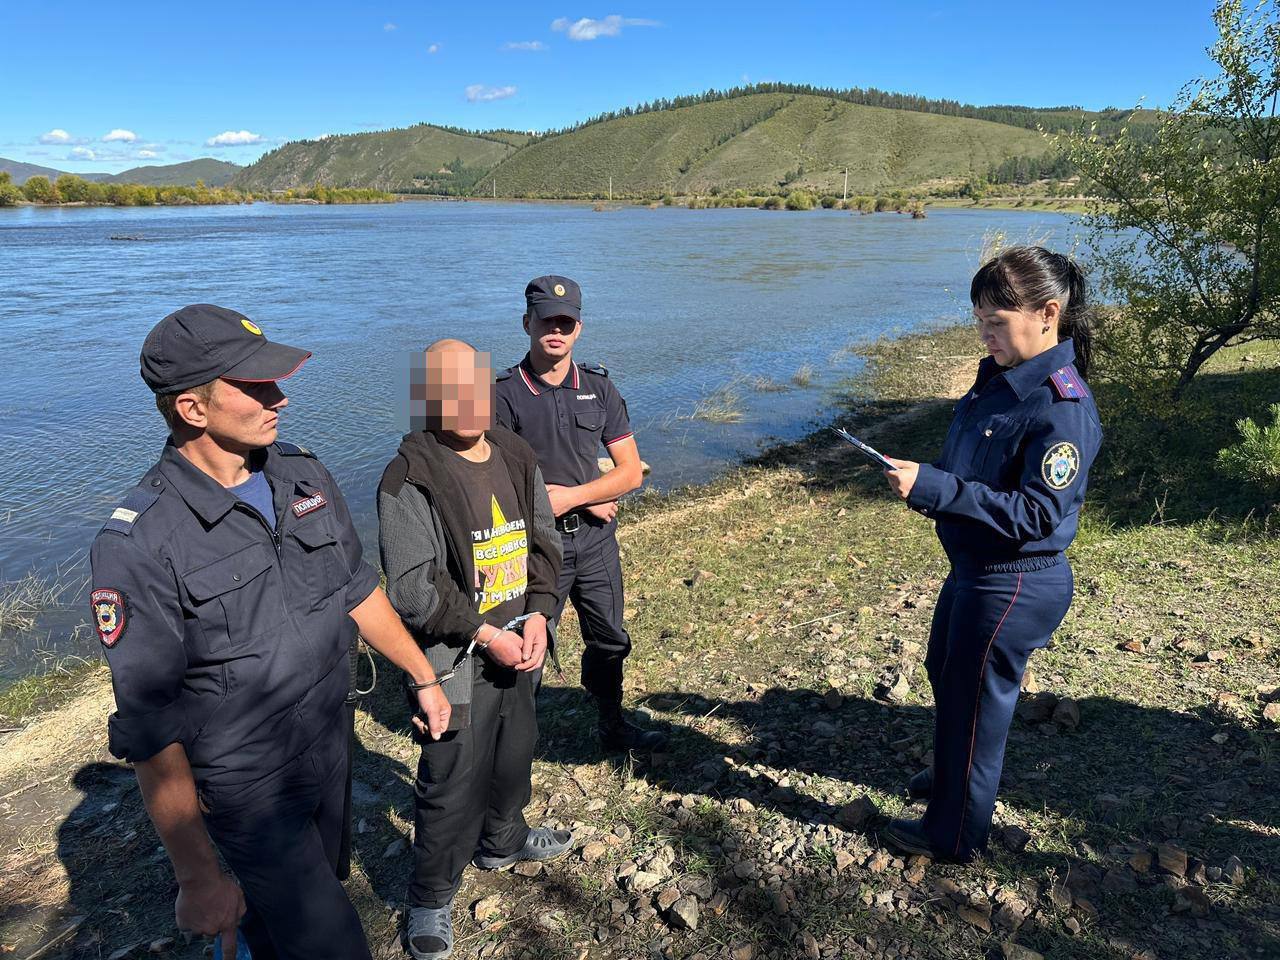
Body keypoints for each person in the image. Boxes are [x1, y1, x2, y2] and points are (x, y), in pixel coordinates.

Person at [90, 304, 452, 960]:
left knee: (290, 912)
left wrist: (421, 675)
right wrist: (198, 876)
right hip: (246, 785)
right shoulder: (140, 543)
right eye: (254, 387)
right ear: (193, 410)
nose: (278, 397)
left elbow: (354, 587)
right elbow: (152, 727)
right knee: (333, 940)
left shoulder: (302, 474)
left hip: (328, 739)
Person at [877, 247, 1103, 863]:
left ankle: (952, 835)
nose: (985, 333)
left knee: (975, 707)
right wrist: (926, 478)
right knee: (944, 669)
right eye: (979, 319)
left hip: (1016, 580)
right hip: (974, 570)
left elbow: (1035, 513)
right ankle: (953, 781)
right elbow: (975, 466)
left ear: (1048, 314)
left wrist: (937, 489)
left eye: (997, 321)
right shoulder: (997, 380)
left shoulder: (1062, 405)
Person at [377, 340, 571, 960]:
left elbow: (545, 542)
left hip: (523, 642)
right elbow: (411, 590)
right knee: (449, 776)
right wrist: (488, 635)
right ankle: (430, 896)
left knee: (515, 751)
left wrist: (540, 614)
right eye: (447, 388)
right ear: (427, 396)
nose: (465, 400)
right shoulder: (410, 475)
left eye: (474, 386)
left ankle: (504, 841)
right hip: (455, 658)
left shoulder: (515, 452)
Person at [494, 275, 666, 752]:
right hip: (532, 549)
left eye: (566, 322)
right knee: (528, 650)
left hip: (593, 543)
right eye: (547, 319)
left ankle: (612, 725)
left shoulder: (599, 388)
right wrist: (588, 493)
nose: (556, 329)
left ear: (579, 328)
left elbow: (630, 473)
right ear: (527, 322)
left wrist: (576, 497)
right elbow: (489, 483)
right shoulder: (499, 395)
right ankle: (515, 751)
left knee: (610, 639)